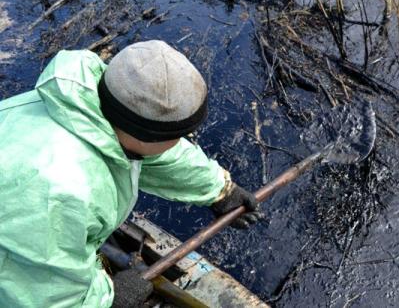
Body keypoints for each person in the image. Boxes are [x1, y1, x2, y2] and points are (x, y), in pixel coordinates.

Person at [0, 40, 261, 307]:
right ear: (148, 135)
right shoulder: (58, 194)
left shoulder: (89, 103)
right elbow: (36, 296)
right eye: (178, 135)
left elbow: (160, 154)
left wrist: (220, 190)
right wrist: (108, 302)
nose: (183, 140)